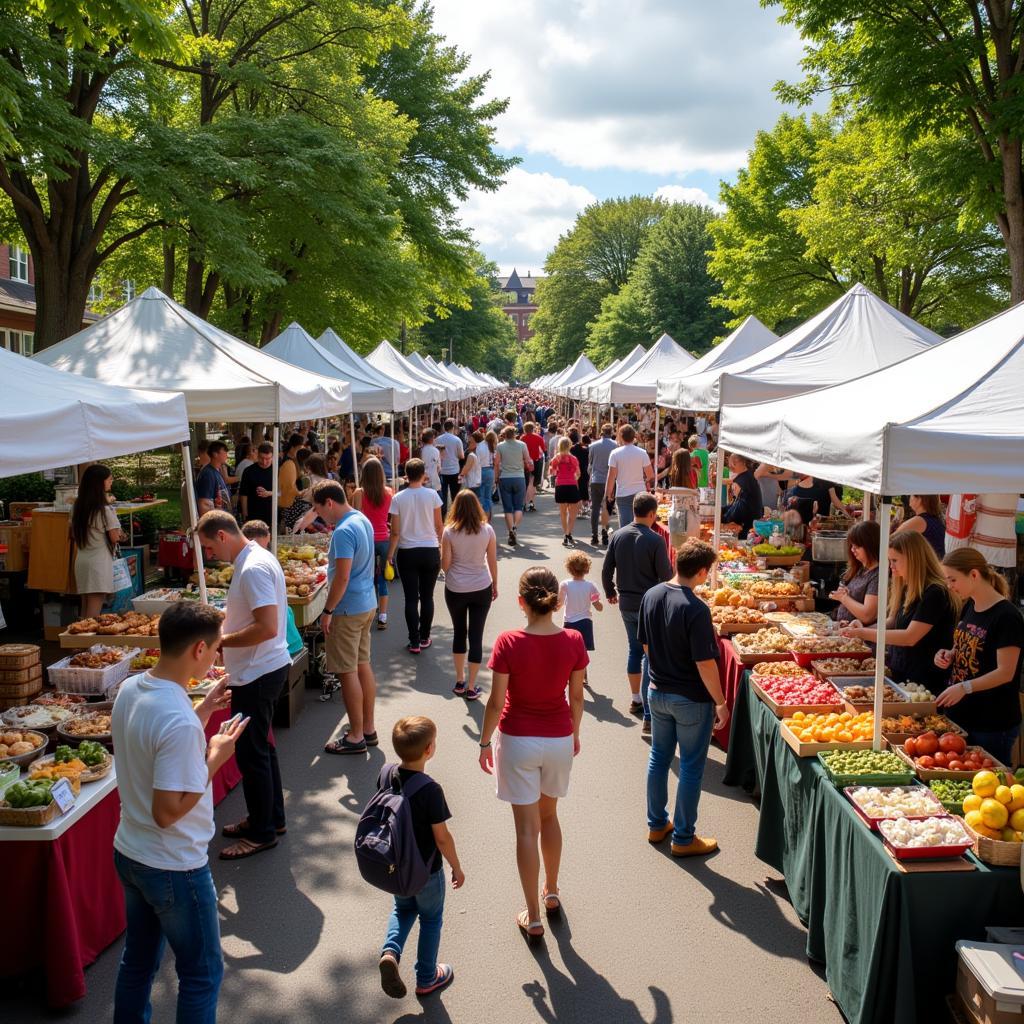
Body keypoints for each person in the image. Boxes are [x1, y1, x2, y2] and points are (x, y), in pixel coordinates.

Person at [111, 602, 246, 1023]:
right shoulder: (178, 722)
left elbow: (156, 745)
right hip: (172, 864)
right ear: (199, 650)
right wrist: (216, 757)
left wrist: (202, 710)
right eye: (217, 647)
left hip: (130, 851)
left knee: (138, 961)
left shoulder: (132, 689)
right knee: (202, 973)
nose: (219, 656)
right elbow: (168, 811)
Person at [479, 567, 587, 941]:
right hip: (558, 737)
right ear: (557, 601)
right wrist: (574, 734)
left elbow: (495, 702)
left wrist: (482, 742)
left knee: (526, 829)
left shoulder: (508, 641)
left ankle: (534, 914)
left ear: (521, 601)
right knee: (550, 817)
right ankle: (552, 889)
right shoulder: (573, 640)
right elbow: (576, 697)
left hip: (517, 738)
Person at [195, 510, 290, 859]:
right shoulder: (257, 559)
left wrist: (222, 643)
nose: (209, 554)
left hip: (258, 673)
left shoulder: (251, 568)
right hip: (259, 670)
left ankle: (263, 832)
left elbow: (266, 627)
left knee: (252, 756)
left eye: (208, 547)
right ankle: (269, 819)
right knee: (261, 752)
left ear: (222, 536)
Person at [640, 538, 728, 857]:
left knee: (659, 757)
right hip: (690, 698)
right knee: (691, 766)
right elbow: (705, 663)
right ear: (702, 572)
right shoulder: (696, 609)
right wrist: (720, 701)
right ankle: (684, 836)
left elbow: (646, 646)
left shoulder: (652, 595)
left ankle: (656, 823)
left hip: (657, 691)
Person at [377, 717, 464, 1000]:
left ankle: (391, 952)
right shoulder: (430, 790)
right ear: (429, 749)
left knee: (402, 910)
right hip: (427, 871)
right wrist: (456, 866)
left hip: (396, 866)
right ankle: (427, 977)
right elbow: (441, 837)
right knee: (430, 919)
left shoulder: (386, 774)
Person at [935, 547, 1024, 766]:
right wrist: (947, 654)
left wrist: (965, 687)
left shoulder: (1007, 617)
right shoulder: (970, 606)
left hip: (992, 723)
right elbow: (962, 646)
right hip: (961, 716)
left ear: (974, 575)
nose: (950, 586)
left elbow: (1005, 672)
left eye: (953, 579)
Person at [842, 530, 956, 692]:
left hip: (924, 680)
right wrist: (864, 629)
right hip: (902, 672)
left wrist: (862, 633)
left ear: (913, 559)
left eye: (894, 560)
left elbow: (910, 637)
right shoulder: (907, 585)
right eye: (889, 560)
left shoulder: (935, 592)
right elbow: (893, 621)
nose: (891, 566)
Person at [313, 481, 379, 754]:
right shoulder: (361, 518)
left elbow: (342, 576)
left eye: (318, 509)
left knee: (347, 671)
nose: (319, 515)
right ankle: (367, 728)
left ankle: (355, 736)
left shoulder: (343, 531)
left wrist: (327, 610)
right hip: (366, 603)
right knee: (362, 665)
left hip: (347, 608)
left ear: (329, 502)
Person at [602, 492, 674, 733]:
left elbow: (606, 569)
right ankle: (648, 715)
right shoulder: (655, 540)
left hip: (626, 603)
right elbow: (665, 575)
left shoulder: (618, 535)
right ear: (653, 514)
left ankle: (635, 698)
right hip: (649, 605)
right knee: (649, 656)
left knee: (634, 650)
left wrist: (610, 591)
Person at [441, 490, 497, 700]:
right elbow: (492, 561)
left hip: (456, 588)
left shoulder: (449, 532)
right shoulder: (487, 530)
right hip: (481, 585)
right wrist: (495, 585)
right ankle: (472, 686)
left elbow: (445, 566)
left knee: (459, 632)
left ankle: (459, 680)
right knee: (476, 635)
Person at [388, 459, 444, 654]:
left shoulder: (398, 498)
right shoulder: (432, 496)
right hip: (429, 549)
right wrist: (441, 547)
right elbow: (439, 526)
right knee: (427, 597)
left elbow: (394, 531)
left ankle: (413, 640)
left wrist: (389, 555)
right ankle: (425, 636)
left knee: (411, 599)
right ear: (423, 474)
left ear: (406, 474)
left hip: (407, 551)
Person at [241, 520, 306, 657]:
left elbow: (267, 628)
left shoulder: (255, 566)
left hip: (284, 649)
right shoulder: (268, 560)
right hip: (291, 644)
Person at [71, 463, 125, 619]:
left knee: (85, 609)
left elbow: (72, 534)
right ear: (100, 482)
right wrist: (122, 535)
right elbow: (115, 537)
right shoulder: (105, 510)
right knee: (93, 615)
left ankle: (79, 642)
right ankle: (88, 643)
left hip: (82, 560)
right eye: (109, 479)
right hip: (98, 564)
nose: (111, 482)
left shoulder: (76, 507)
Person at [945, 493, 1019, 595]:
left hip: (982, 554)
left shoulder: (974, 479)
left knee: (981, 603)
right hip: (1005, 553)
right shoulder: (1014, 478)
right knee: (1003, 603)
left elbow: (963, 513)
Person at [351, 458, 393, 631]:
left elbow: (354, 516)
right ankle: (383, 615)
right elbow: (390, 516)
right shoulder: (389, 492)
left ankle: (366, 612)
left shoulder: (359, 493)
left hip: (365, 539)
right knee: (383, 579)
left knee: (365, 577)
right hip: (384, 538)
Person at [830, 520, 881, 626]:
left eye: (857, 546)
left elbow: (867, 615)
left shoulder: (878, 575)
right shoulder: (861, 568)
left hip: (860, 637)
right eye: (852, 545)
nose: (853, 549)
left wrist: (843, 598)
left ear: (870, 545)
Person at [604, 425, 654, 528]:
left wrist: (608, 493)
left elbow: (611, 476)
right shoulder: (642, 452)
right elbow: (650, 475)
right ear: (633, 436)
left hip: (623, 493)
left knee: (625, 527)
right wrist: (643, 482)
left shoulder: (615, 454)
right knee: (641, 526)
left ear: (621, 437)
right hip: (640, 492)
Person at [557, 551, 602, 662]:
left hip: (569, 622)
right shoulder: (590, 586)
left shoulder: (565, 585)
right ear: (587, 568)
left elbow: (559, 604)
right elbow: (599, 607)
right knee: (582, 651)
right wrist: (596, 601)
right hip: (585, 622)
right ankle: (583, 676)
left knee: (569, 650)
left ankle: (570, 674)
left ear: (569, 568)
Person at [495, 425, 531, 547]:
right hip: (519, 477)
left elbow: (496, 463)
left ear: (504, 435)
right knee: (518, 507)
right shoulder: (522, 445)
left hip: (505, 477)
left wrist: (496, 477)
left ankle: (510, 530)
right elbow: (528, 460)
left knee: (507, 508)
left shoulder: (500, 446)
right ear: (515, 434)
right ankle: (514, 528)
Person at [720, 453, 762, 540]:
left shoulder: (744, 480)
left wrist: (723, 518)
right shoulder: (745, 477)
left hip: (747, 532)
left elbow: (739, 510)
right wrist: (720, 511)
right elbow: (735, 505)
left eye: (732, 463)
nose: (731, 465)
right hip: (748, 528)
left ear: (739, 463)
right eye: (730, 462)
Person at [588, 423, 616, 546]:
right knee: (606, 508)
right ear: (612, 432)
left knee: (595, 508)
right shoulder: (616, 446)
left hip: (596, 479)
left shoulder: (593, 445)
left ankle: (594, 535)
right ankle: (604, 533)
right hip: (609, 481)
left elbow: (590, 462)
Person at [549, 437, 581, 547]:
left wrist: (558, 471)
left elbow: (552, 472)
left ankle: (566, 534)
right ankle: (568, 534)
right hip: (571, 485)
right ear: (570, 445)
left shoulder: (555, 458)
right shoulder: (573, 458)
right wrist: (573, 477)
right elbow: (578, 473)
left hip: (560, 485)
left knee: (563, 512)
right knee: (572, 513)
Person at [893, 494, 946, 559]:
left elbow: (891, 540)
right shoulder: (934, 519)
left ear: (919, 500)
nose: (909, 497)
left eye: (911, 495)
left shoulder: (921, 521)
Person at [279, 433, 312, 532]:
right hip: (291, 504)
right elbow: (290, 485)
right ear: (295, 447)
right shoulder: (289, 462)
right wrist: (300, 493)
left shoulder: (293, 460)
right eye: (300, 447)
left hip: (293, 503)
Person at [238, 443, 275, 525]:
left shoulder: (277, 470)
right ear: (257, 455)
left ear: (272, 457)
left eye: (268, 459)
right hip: (253, 513)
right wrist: (245, 514)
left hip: (272, 513)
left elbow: (283, 492)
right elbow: (243, 494)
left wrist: (269, 493)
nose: (265, 462)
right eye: (262, 458)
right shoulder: (248, 471)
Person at [435, 419, 464, 517]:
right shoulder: (457, 440)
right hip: (454, 470)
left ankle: (443, 516)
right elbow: (461, 456)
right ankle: (455, 515)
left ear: (444, 428)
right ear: (452, 428)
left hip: (442, 471)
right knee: (455, 495)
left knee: (443, 495)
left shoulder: (438, 439)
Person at [196, 440, 232, 516]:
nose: (227, 455)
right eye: (224, 452)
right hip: (215, 522)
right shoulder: (208, 474)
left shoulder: (215, 471)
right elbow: (204, 503)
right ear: (215, 454)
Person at [522, 421, 546, 512]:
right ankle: (531, 502)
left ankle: (525, 503)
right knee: (533, 483)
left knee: (526, 483)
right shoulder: (538, 437)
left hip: (526, 462)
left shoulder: (522, 438)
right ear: (533, 429)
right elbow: (544, 449)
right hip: (536, 461)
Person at [475, 430, 496, 521]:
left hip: (481, 470)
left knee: (480, 496)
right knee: (488, 496)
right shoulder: (492, 447)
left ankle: (481, 517)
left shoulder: (480, 446)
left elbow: (477, 462)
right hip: (490, 471)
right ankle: (488, 517)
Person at [420, 428, 443, 497]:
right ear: (432, 438)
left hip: (423, 483)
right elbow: (438, 468)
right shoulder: (436, 451)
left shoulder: (420, 451)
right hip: (434, 483)